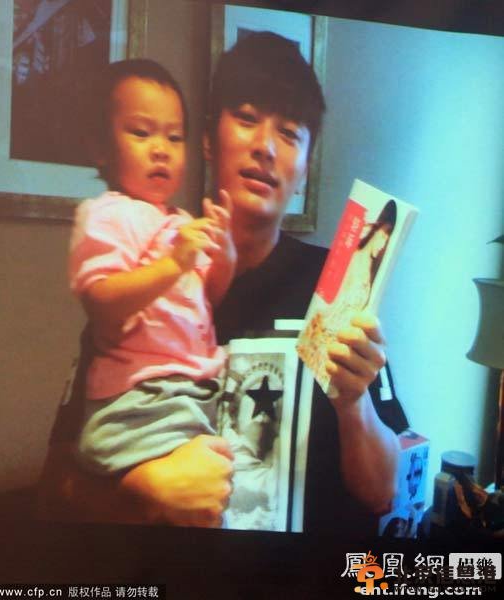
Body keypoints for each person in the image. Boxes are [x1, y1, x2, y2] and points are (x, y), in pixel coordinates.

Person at [38, 32, 408, 533]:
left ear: (305, 167)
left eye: (289, 133)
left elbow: (383, 494)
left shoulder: (337, 287)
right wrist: (139, 495)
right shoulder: (144, 281)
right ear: (208, 139)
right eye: (248, 119)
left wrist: (354, 404)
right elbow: (55, 484)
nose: (265, 147)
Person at [67, 58, 235, 476]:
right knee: (202, 470)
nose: (161, 148)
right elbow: (101, 300)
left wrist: (225, 256)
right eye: (141, 133)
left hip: (195, 383)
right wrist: (173, 263)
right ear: (100, 149)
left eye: (174, 137)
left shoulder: (181, 221)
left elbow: (207, 298)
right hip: (143, 390)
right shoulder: (108, 214)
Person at [298, 200, 397, 390]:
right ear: (377, 229)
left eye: (388, 236)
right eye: (384, 233)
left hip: (336, 363)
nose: (384, 243)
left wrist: (354, 401)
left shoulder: (369, 274)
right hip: (321, 346)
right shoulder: (347, 264)